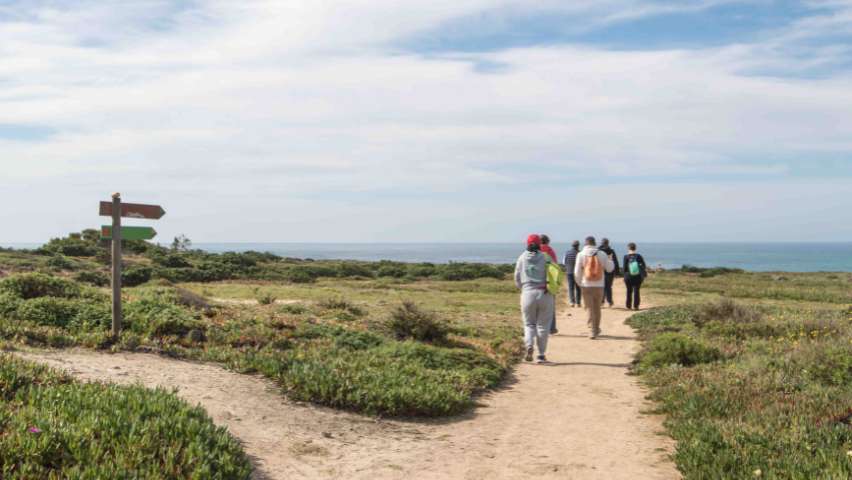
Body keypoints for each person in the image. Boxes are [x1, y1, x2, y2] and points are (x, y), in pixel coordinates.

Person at [514, 234, 554, 363]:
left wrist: (523, 288)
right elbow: (555, 272)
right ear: (539, 244)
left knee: (529, 324)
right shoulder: (546, 257)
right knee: (543, 326)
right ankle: (541, 355)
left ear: (527, 243)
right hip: (545, 293)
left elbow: (517, 277)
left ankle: (529, 345)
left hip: (527, 293)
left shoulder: (521, 257)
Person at [574, 236, 614, 339]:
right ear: (594, 243)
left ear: (585, 243)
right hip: (599, 285)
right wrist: (610, 260)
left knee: (589, 308)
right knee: (597, 308)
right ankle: (596, 329)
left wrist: (579, 283)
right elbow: (609, 269)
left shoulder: (581, 254)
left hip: (586, 285)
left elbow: (577, 272)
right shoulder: (602, 254)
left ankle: (592, 330)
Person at [539, 234, 559, 334]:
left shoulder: (535, 251)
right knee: (551, 306)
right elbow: (555, 267)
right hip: (550, 282)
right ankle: (552, 328)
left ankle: (539, 327)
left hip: (537, 282)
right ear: (548, 242)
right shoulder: (551, 251)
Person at [623, 243, 648, 310]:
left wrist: (625, 276)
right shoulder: (639, 256)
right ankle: (636, 306)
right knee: (636, 291)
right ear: (635, 248)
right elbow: (644, 266)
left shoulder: (626, 257)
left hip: (628, 276)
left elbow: (624, 268)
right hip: (637, 276)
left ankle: (628, 306)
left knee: (629, 291)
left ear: (628, 248)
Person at [599, 238, 620, 307]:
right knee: (608, 287)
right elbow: (616, 262)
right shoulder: (611, 251)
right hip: (610, 271)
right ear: (608, 243)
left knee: (602, 287)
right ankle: (610, 301)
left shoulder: (598, 251)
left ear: (601, 243)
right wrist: (617, 272)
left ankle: (601, 302)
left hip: (600, 271)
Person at [562, 240, 582, 307]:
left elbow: (564, 262)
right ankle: (578, 302)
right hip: (578, 273)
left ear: (572, 245)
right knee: (578, 287)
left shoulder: (567, 253)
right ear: (578, 246)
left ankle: (572, 302)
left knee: (571, 287)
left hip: (569, 272)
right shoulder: (580, 253)